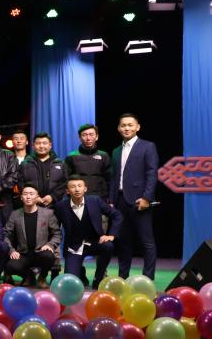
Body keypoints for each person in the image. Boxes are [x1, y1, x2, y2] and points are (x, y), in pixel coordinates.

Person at [110, 113, 160, 279]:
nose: (127, 128)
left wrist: (147, 197)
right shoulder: (116, 151)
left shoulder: (147, 146)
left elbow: (152, 173)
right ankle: (122, 278)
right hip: (120, 201)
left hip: (140, 201)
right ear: (119, 128)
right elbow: (114, 177)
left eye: (130, 125)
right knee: (124, 243)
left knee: (147, 242)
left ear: (138, 127)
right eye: (123, 125)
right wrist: (111, 201)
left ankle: (148, 279)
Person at [56, 175, 124, 288]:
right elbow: (55, 228)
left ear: (85, 189)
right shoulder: (61, 206)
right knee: (70, 281)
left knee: (108, 246)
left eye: (79, 186)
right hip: (74, 247)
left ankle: (98, 277)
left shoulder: (95, 201)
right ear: (67, 191)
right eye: (73, 187)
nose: (77, 189)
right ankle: (80, 273)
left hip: (95, 243)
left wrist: (111, 235)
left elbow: (117, 215)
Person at [4, 186, 62, 287]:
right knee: (11, 266)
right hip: (23, 253)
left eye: (31, 194)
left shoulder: (48, 213)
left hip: (40, 252)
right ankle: (28, 276)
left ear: (37, 197)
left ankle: (42, 277)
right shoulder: (15, 214)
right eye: (25, 194)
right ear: (21, 197)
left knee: (49, 256)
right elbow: (6, 234)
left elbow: (57, 234)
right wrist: (12, 250)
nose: (28, 197)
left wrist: (50, 245)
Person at [64, 123, 111, 199]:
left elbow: (109, 179)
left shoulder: (104, 155)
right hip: (78, 198)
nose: (88, 138)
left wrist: (109, 198)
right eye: (84, 135)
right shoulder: (71, 156)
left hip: (100, 197)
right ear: (80, 138)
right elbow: (66, 180)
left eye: (91, 134)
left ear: (96, 137)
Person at [19, 132, 66, 208]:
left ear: (50, 145)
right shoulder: (25, 164)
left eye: (44, 143)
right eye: (38, 143)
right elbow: (21, 184)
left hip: (56, 205)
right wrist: (33, 197)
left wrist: (53, 196)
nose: (41, 146)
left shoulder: (60, 164)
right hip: (32, 205)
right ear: (33, 145)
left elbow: (64, 183)